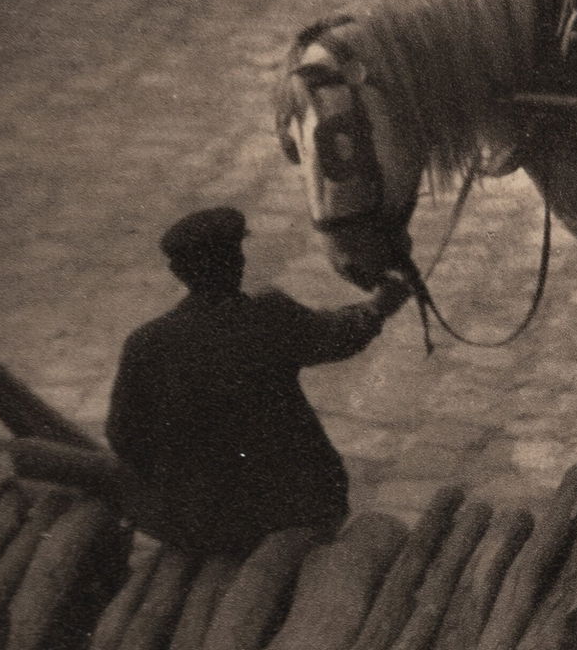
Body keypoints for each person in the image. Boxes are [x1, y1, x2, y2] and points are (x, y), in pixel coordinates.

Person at [106, 206, 411, 554]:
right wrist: (377, 307)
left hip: (201, 522)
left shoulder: (146, 342)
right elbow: (336, 337)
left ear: (178, 272)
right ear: (238, 261)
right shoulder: (267, 315)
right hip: (294, 510)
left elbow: (124, 437)